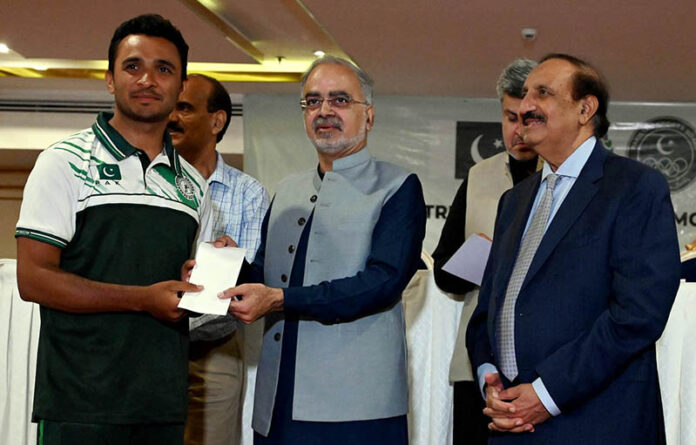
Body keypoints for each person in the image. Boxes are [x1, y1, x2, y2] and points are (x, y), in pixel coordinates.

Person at [466, 53, 680, 443]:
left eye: (542, 93)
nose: (526, 105)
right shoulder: (513, 202)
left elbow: (637, 315)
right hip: (512, 422)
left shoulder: (634, 188)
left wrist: (546, 395)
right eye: (525, 94)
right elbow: (487, 311)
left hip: (597, 423)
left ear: (585, 108)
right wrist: (489, 378)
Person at [15, 14, 209, 445]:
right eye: (132, 66)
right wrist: (142, 299)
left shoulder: (193, 185)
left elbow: (192, 289)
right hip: (80, 401)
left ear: (181, 87)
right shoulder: (62, 162)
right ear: (109, 79)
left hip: (163, 401)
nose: (147, 80)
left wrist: (216, 271)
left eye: (164, 69)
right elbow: (33, 279)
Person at [214, 56, 425, 444]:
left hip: (357, 405)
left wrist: (278, 299)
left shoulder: (398, 186)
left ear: (370, 116)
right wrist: (227, 267)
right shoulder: (288, 191)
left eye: (340, 100)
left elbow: (382, 283)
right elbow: (267, 274)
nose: (324, 110)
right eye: (313, 101)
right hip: (280, 397)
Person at [432, 58, 538, 445]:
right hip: (478, 363)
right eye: (510, 117)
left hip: (543, 366)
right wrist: (486, 260)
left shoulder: (565, 177)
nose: (519, 130)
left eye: (528, 117)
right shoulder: (479, 176)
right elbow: (444, 272)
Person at [168, 74, 269, 445]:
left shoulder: (248, 193)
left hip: (215, 344)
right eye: (170, 107)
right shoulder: (149, 183)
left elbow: (255, 278)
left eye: (184, 108)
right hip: (151, 340)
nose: (172, 117)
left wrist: (234, 263)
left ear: (217, 121)